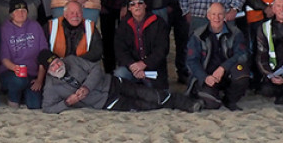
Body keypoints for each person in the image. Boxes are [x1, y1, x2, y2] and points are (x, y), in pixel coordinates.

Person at [39, 50, 199, 114]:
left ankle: (187, 103)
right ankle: (173, 105)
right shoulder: (51, 87)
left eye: (57, 61)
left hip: (111, 83)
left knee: (149, 94)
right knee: (144, 106)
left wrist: (87, 87)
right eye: (53, 66)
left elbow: (95, 69)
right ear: (48, 71)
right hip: (105, 102)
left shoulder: (71, 60)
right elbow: (47, 108)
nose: (58, 65)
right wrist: (68, 102)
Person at [186, 2, 250, 110]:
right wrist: (204, 77)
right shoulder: (198, 35)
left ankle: (230, 100)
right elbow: (191, 61)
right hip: (207, 76)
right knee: (213, 103)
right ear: (208, 16)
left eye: (220, 14)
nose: (217, 18)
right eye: (214, 14)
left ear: (225, 16)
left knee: (242, 72)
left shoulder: (235, 33)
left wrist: (223, 68)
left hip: (227, 74)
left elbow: (242, 55)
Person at [113, 0, 170, 90]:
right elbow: (120, 50)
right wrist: (132, 65)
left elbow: (162, 49)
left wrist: (144, 64)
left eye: (140, 3)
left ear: (145, 5)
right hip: (132, 69)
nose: (137, 6)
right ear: (129, 8)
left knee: (160, 98)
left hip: (153, 69)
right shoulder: (123, 25)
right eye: (132, 4)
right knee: (119, 74)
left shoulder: (158, 23)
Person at [0, 0, 47, 109]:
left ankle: (23, 94)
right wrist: (15, 68)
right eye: (17, 11)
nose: (21, 13)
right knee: (19, 80)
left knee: (35, 105)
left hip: (32, 73)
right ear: (11, 14)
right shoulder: (4, 29)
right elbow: (4, 58)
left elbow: (44, 54)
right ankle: (13, 99)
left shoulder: (36, 27)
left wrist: (39, 79)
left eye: (24, 10)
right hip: (12, 72)